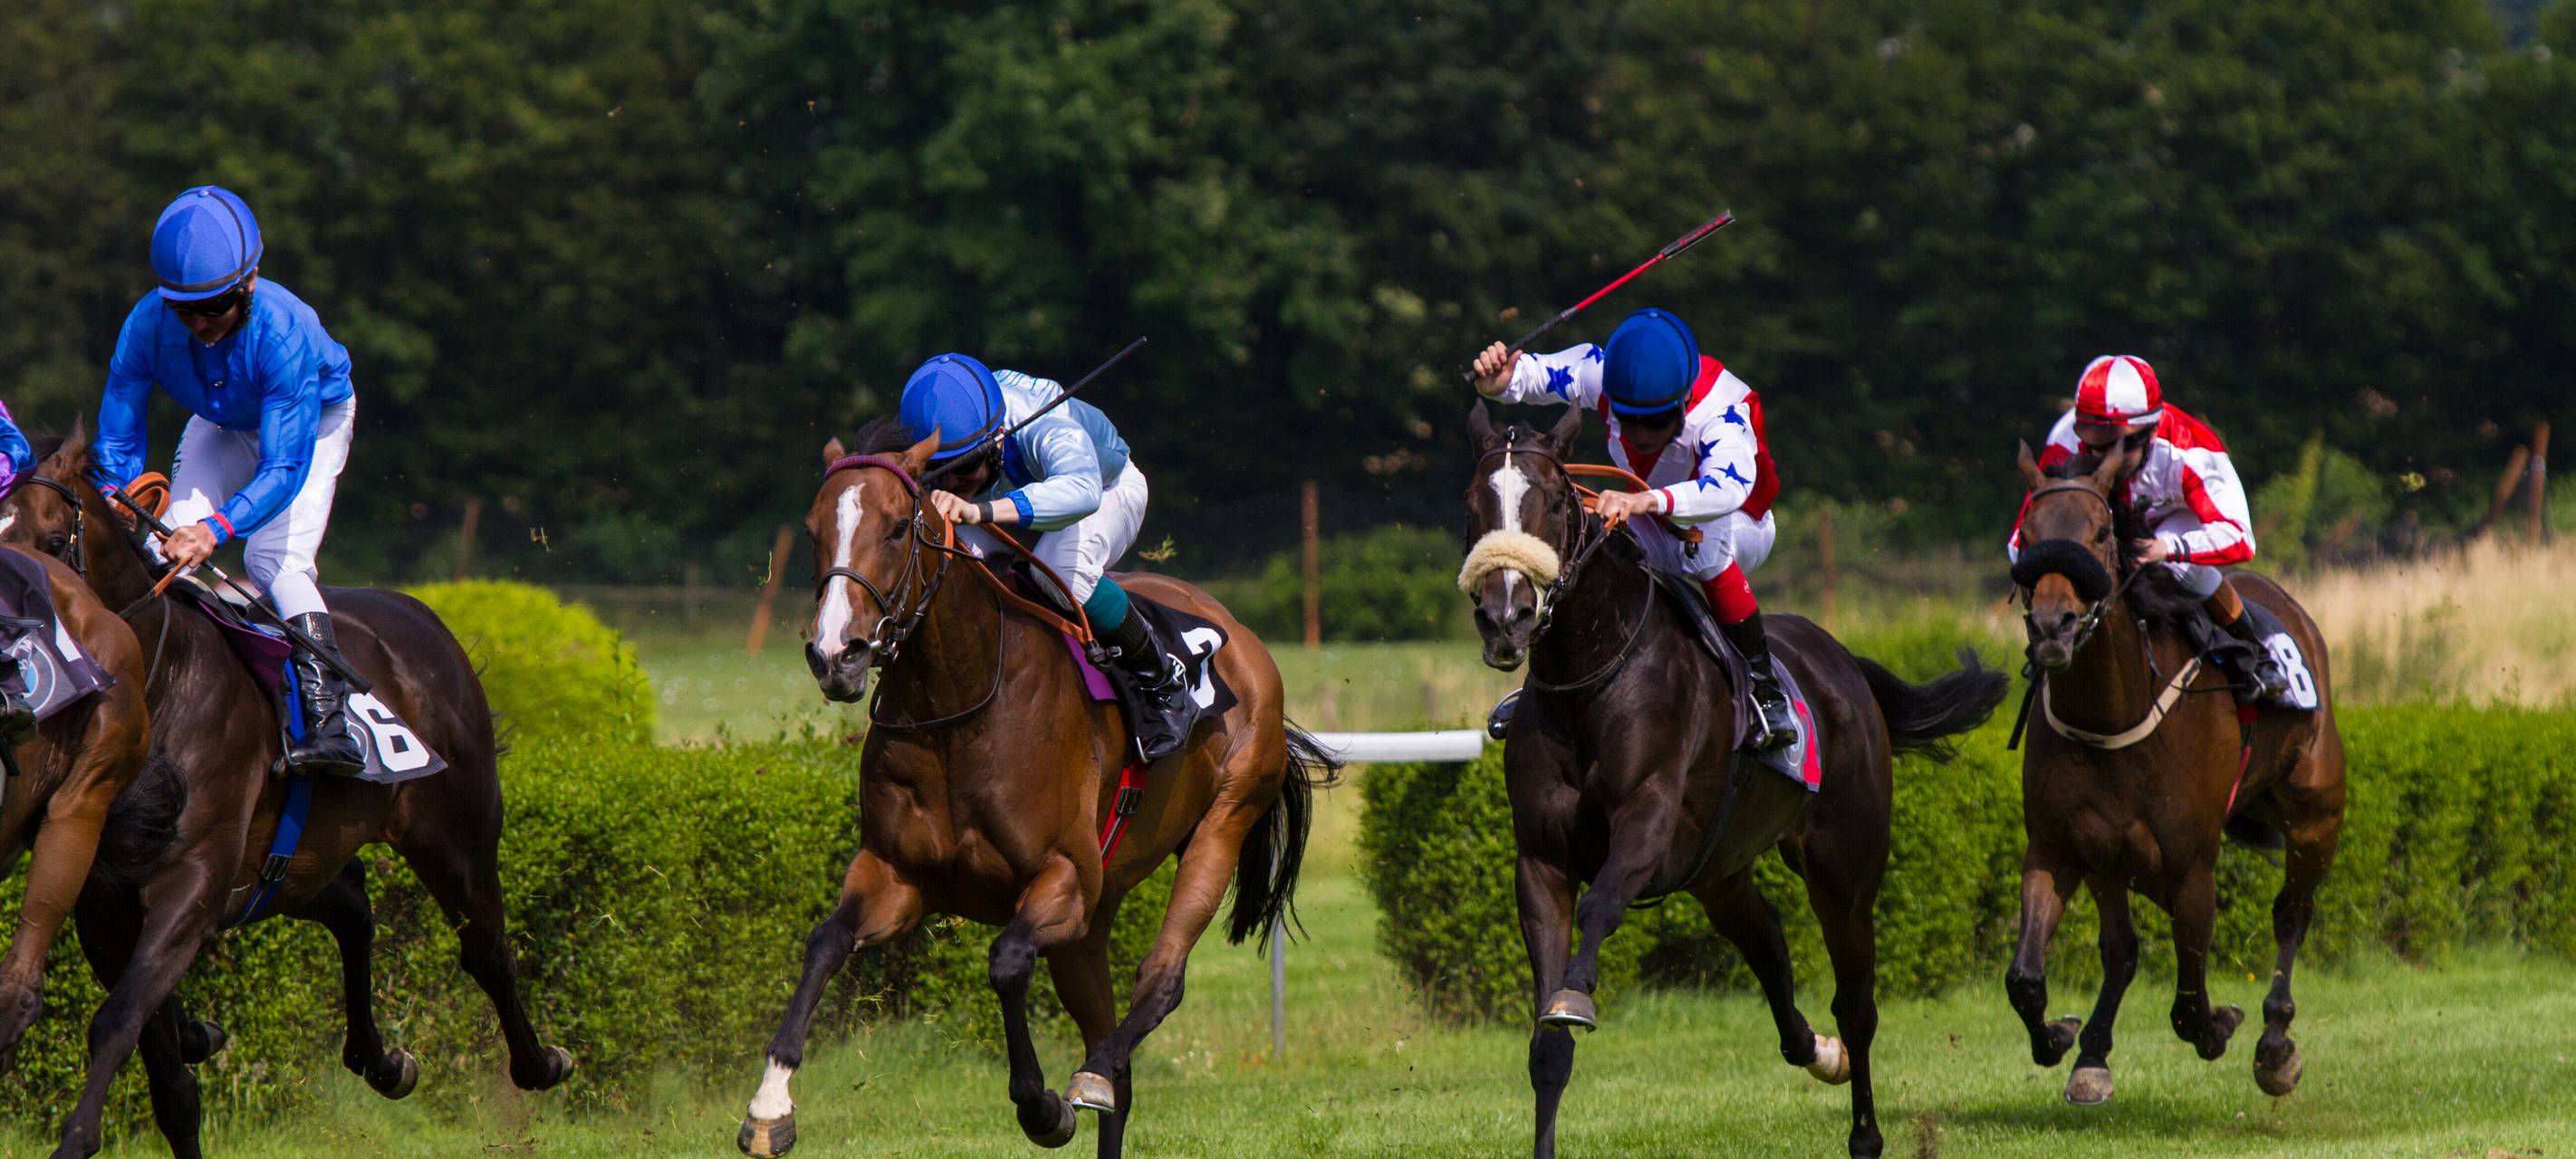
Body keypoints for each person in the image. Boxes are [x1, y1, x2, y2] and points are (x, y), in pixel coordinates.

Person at [95, 186, 365, 774]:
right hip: (223, 419)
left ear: (250, 281)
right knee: (158, 542)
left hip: (309, 426)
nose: (198, 323)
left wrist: (216, 528)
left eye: (213, 307)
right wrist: (116, 493)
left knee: (273, 563)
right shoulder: (144, 325)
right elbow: (117, 439)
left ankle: (331, 722)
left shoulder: (284, 332)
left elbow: (283, 468)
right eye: (182, 309)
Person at [1472, 307, 1796, 750]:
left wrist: (1647, 500)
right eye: (1629, 418)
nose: (1641, 433)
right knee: (1580, 542)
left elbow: (1730, 488)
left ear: (1682, 402)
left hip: (1739, 522)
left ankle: (1765, 689)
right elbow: (1534, 374)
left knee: (1703, 549)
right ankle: (1543, 688)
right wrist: (1500, 382)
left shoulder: (1722, 414)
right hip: (1648, 513)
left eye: (1657, 420)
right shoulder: (1602, 374)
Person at [898, 352, 1193, 761]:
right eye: (937, 470)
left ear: (996, 439)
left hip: (1106, 489)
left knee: (1059, 574)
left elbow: (1082, 492)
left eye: (962, 470)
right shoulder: (946, 423)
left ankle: (1163, 681)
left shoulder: (1040, 423)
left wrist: (980, 510)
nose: (950, 483)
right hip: (1018, 497)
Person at [2012, 354, 2290, 698]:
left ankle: (2257, 654)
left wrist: (2167, 549)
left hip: (2171, 521)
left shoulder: (2193, 453)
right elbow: (2020, 539)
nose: (2102, 458)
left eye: (2117, 445)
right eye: (2092, 443)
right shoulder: (2065, 439)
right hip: (2100, 516)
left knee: (2182, 568)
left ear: (2150, 431)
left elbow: (2240, 539)